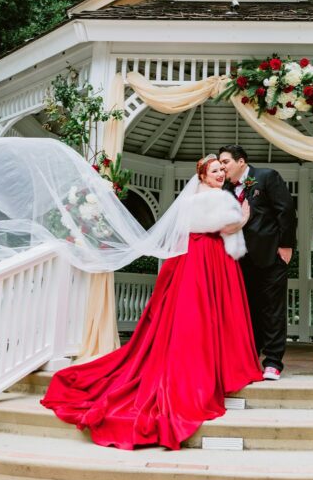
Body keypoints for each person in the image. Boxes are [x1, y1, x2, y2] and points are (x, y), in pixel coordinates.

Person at [40, 155, 264, 450]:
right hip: (206, 257)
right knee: (206, 313)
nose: (221, 174)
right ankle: (211, 365)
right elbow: (225, 228)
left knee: (187, 313)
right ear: (203, 174)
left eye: (222, 170)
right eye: (215, 171)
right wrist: (244, 218)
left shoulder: (193, 196)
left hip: (190, 257)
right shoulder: (213, 197)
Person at [218, 144, 296, 381]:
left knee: (273, 308)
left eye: (225, 162)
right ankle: (251, 356)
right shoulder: (225, 188)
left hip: (271, 255)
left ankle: (273, 361)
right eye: (220, 164)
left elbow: (286, 211)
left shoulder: (266, 177)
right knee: (248, 309)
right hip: (241, 259)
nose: (222, 168)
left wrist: (286, 246)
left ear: (241, 162)